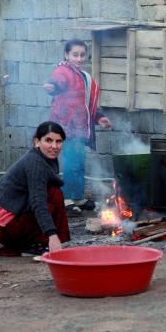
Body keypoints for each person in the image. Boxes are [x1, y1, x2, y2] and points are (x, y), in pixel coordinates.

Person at [44, 39, 112, 215]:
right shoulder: (64, 71)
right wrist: (52, 87)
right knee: (71, 164)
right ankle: (66, 199)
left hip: (81, 128)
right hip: (66, 127)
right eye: (75, 54)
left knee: (80, 163)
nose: (79, 58)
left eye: (82, 55)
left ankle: (78, 197)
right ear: (67, 55)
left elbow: (88, 105)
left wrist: (100, 118)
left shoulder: (84, 76)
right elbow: (57, 83)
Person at [0, 121, 71, 256]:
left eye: (58, 142)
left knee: (54, 192)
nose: (54, 146)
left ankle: (45, 241)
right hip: (2, 226)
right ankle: (39, 243)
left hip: (4, 222)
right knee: (54, 195)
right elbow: (38, 202)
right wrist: (52, 235)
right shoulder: (35, 163)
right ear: (37, 142)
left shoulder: (45, 158)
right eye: (48, 140)